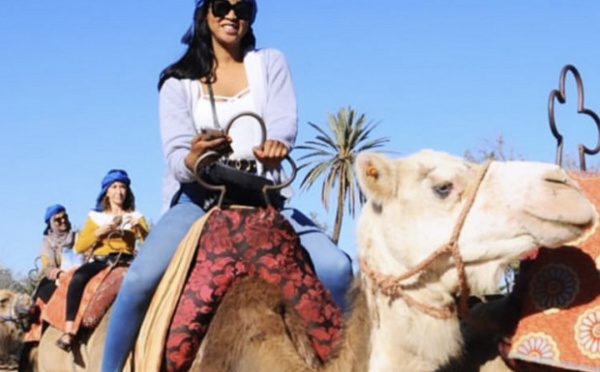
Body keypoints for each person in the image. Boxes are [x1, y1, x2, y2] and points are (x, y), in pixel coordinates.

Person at [101, 1, 352, 370]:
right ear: (206, 13)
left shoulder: (270, 64)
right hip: (199, 200)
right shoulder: (177, 81)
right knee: (139, 280)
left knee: (338, 269)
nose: (232, 15)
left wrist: (277, 146)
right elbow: (175, 155)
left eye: (243, 7)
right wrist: (193, 158)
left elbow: (284, 121)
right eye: (222, 5)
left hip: (265, 197)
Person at [55, 169, 149, 352]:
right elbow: (80, 246)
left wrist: (139, 229)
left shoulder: (136, 217)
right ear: (107, 191)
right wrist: (99, 232)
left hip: (128, 260)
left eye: (122, 187)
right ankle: (69, 330)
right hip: (101, 261)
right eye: (114, 187)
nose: (119, 191)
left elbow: (149, 242)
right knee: (78, 278)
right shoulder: (95, 217)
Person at [34, 204, 77, 304]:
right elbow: (48, 267)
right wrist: (61, 274)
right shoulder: (47, 242)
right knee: (47, 292)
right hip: (57, 278)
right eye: (58, 220)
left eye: (64, 217)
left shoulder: (77, 236)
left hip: (79, 273)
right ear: (51, 223)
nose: (63, 221)